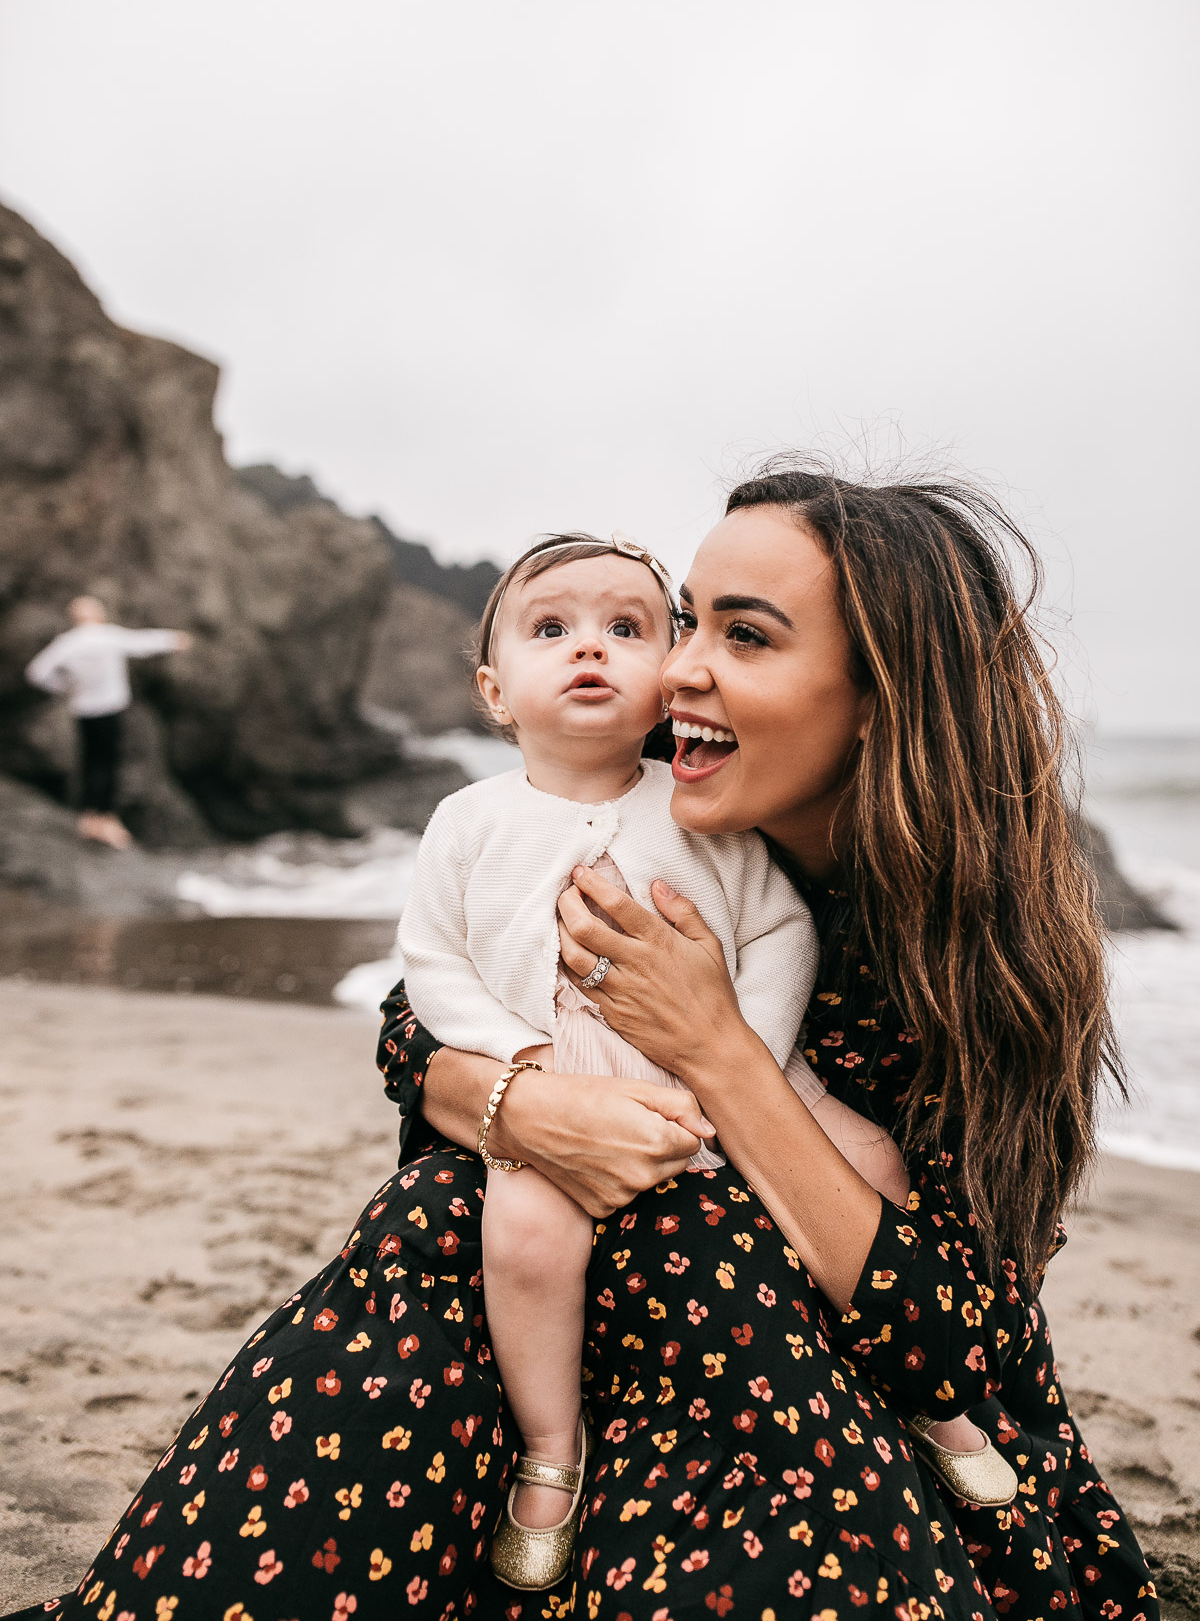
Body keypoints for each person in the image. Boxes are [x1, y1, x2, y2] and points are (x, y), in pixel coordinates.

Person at [9, 461, 1156, 1621]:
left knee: (663, 1253)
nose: (683, 666)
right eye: (689, 622)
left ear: (882, 696)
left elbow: (955, 1346)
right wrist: (519, 1103)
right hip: (586, 1305)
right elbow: (418, 1018)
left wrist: (715, 1048)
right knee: (445, 1212)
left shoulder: (972, 952)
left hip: (814, 1370)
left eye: (746, 637)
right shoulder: (622, 829)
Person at [401, 529, 1012, 1592]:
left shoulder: (698, 816)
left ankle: (937, 1403)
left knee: (872, 1160)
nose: (590, 648)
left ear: (659, 680)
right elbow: (429, 966)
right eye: (552, 630)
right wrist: (521, 1063)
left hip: (749, 1074)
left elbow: (779, 934)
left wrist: (742, 1061)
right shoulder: (468, 821)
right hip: (565, 1078)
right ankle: (550, 1452)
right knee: (527, 1242)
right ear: (494, 692)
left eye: (626, 628)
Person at [25, 596, 192, 848]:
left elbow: (36, 673)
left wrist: (63, 687)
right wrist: (174, 640)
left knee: (90, 763)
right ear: (96, 615)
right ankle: (105, 819)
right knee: (108, 764)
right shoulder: (107, 636)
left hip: (83, 711)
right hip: (109, 710)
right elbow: (142, 643)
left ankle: (89, 818)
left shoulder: (68, 643)